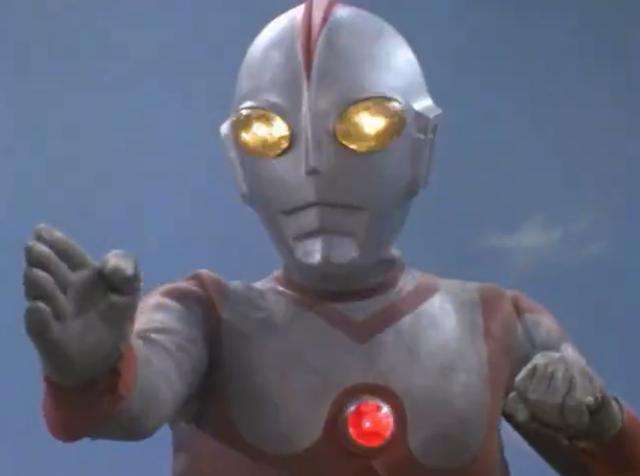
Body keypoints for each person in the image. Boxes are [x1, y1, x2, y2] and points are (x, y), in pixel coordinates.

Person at [22, 1, 640, 474]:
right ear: (237, 161)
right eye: (269, 134)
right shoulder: (203, 317)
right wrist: (90, 372)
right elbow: (132, 400)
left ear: (421, 145)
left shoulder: (500, 325)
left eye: (363, 127)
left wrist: (600, 424)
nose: (314, 166)